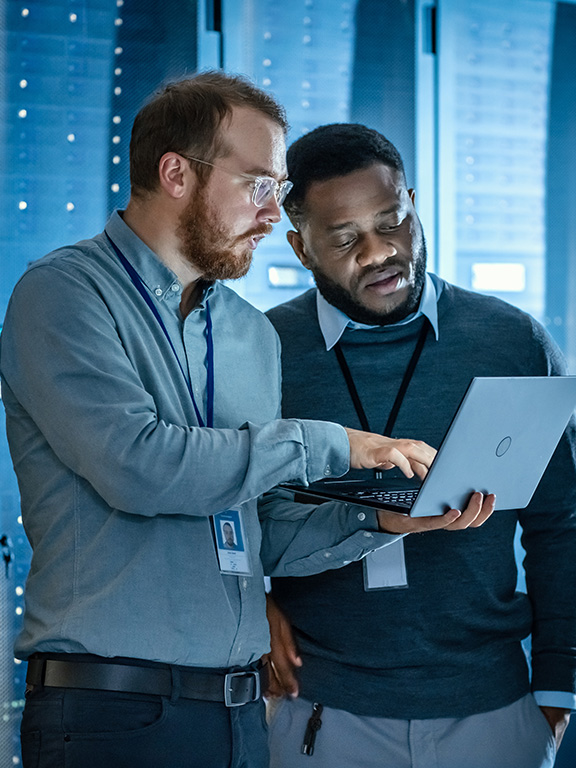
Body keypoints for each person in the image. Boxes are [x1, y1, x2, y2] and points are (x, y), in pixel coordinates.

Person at [0, 72, 476, 768]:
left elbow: (261, 532)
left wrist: (378, 521)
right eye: (257, 185)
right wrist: (335, 445)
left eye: (277, 191)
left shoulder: (249, 334)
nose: (272, 214)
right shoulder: (64, 294)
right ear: (176, 174)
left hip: (239, 717)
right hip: (111, 714)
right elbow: (142, 467)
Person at [264, 123, 576, 768]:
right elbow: (225, 513)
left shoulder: (510, 340)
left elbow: (562, 524)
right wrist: (251, 608)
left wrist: (557, 685)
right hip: (320, 711)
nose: (380, 252)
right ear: (301, 247)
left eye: (393, 222)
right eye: (346, 238)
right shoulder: (264, 352)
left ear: (413, 203)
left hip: (495, 711)